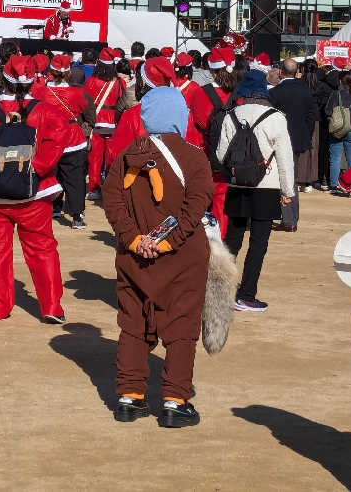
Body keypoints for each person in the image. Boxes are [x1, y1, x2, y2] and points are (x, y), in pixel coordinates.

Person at [102, 85, 213, 427]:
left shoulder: (125, 156)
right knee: (181, 327)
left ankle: (129, 396)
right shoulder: (194, 156)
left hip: (134, 259)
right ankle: (174, 400)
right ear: (180, 117)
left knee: (133, 324)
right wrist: (166, 242)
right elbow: (197, 205)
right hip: (183, 258)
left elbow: (112, 202)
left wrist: (134, 240)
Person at [0, 82, 67, 322]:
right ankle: (52, 306)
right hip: (34, 193)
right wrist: (38, 168)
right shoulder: (46, 111)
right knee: (41, 248)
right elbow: (58, 138)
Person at [216, 69, 295, 311]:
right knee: (258, 243)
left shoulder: (230, 115)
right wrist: (287, 191)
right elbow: (285, 158)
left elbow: (220, 155)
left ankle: (220, 291)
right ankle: (246, 294)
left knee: (232, 240)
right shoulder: (276, 117)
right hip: (266, 186)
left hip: (237, 183)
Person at [32, 52, 95, 228]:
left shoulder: (40, 91)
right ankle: (77, 217)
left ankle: (54, 207)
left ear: (50, 71)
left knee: (51, 173)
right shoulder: (76, 93)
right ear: (68, 73)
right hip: (72, 139)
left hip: (49, 138)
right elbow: (84, 108)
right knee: (75, 178)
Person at [189, 46, 237, 236]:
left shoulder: (201, 93)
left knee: (198, 199)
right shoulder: (238, 94)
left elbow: (195, 125)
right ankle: (220, 242)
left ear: (211, 68)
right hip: (232, 156)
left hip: (205, 153)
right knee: (222, 202)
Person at [267, 58, 316, 227]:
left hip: (279, 139)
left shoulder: (275, 93)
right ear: (296, 72)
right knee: (291, 178)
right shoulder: (305, 90)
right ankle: (291, 217)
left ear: (281, 72)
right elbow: (312, 116)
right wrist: (305, 134)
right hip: (297, 139)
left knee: (283, 178)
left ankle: (288, 218)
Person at [84, 48, 127, 201]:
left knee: (94, 158)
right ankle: (110, 189)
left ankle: (94, 189)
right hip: (113, 123)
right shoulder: (120, 82)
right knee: (111, 159)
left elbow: (86, 104)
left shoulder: (90, 81)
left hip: (96, 122)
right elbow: (123, 103)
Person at [324, 70, 351, 193]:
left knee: (335, 158)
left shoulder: (336, 94)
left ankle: (334, 186)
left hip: (338, 129)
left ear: (340, 81)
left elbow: (328, 111)